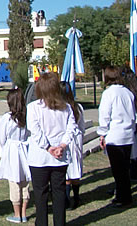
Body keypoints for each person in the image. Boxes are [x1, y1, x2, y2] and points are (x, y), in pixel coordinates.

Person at [27, 72, 77, 226]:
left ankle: (43, 223)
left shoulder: (35, 107)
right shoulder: (65, 107)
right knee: (58, 193)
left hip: (43, 157)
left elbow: (35, 131)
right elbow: (71, 129)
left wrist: (53, 147)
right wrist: (61, 145)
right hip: (56, 156)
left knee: (41, 194)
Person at [97, 66, 136, 207]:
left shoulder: (109, 93)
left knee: (118, 170)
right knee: (124, 168)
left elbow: (105, 115)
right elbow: (133, 115)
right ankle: (123, 194)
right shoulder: (128, 93)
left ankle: (123, 197)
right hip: (127, 134)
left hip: (115, 135)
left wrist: (102, 133)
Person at [0, 88, 31, 224]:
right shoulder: (26, 116)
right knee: (25, 183)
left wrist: (5, 149)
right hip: (24, 149)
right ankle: (23, 213)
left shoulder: (7, 118)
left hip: (12, 150)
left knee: (14, 182)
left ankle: (17, 214)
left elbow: (2, 137)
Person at [60, 81, 84, 209]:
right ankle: (76, 196)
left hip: (67, 140)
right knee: (75, 168)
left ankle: (68, 200)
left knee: (67, 171)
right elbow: (82, 127)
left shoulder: (63, 108)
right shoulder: (78, 107)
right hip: (76, 140)